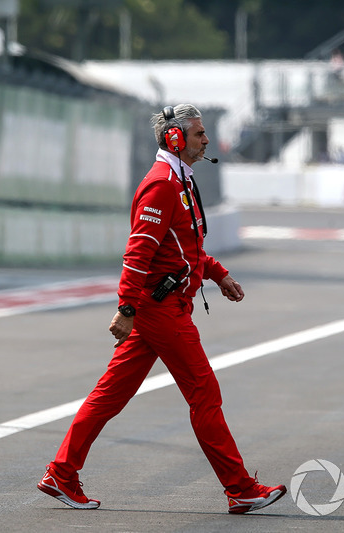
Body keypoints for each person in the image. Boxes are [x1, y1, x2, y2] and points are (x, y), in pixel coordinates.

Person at [37, 104, 286, 514]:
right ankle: (240, 488)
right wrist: (126, 307)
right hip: (160, 309)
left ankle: (61, 473)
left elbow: (184, 251)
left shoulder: (179, 181)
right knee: (204, 392)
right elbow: (138, 254)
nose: (207, 140)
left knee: (109, 395)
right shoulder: (162, 185)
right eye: (199, 134)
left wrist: (218, 274)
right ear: (174, 138)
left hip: (165, 305)